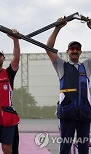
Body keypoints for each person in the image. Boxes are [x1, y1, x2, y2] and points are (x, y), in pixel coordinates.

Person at [46, 17, 91, 154]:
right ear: (68, 51)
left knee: (84, 148)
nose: (75, 51)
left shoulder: (87, 66)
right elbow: (48, 48)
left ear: (81, 52)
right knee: (65, 148)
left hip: (84, 113)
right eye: (72, 48)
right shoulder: (61, 66)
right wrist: (57, 28)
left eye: (77, 48)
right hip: (67, 113)